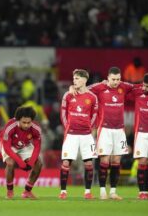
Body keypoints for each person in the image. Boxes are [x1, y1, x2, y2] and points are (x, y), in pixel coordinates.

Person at [87, 67, 134, 200]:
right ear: (108, 78)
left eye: (118, 79)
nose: (116, 82)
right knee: (105, 160)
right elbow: (86, 88)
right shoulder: (100, 87)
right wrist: (74, 87)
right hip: (105, 129)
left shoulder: (123, 86)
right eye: (113, 79)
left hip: (120, 130)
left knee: (116, 160)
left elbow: (138, 87)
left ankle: (113, 191)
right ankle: (102, 191)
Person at [59, 69, 98, 200]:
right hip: (71, 134)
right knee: (66, 162)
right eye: (73, 78)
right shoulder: (68, 95)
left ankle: (87, 191)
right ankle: (63, 191)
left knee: (88, 163)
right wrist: (68, 127)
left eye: (76, 78)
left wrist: (89, 127)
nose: (74, 80)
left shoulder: (92, 97)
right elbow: (63, 114)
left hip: (86, 135)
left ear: (84, 80)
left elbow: (94, 115)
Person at [0, 106, 42, 199]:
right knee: (10, 163)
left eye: (29, 122)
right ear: (18, 120)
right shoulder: (10, 126)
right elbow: (7, 148)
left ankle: (27, 191)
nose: (26, 125)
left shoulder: (36, 128)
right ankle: (10, 191)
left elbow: (37, 147)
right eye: (24, 122)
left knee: (38, 163)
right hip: (10, 146)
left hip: (24, 145)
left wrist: (30, 163)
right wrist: (20, 162)